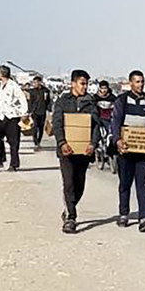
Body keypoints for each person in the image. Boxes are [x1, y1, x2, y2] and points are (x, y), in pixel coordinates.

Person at [111, 70, 145, 232]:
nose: (140, 85)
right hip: (126, 151)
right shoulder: (122, 100)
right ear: (130, 83)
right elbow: (115, 122)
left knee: (144, 185)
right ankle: (124, 214)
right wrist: (117, 140)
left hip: (144, 151)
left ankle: (144, 218)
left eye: (142, 81)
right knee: (125, 183)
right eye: (137, 82)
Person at [52, 70, 100, 234]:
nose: (85, 87)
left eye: (86, 83)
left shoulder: (90, 102)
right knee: (69, 183)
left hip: (84, 151)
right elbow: (57, 123)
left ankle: (68, 208)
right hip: (67, 151)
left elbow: (96, 126)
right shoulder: (63, 101)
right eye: (82, 83)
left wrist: (93, 144)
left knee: (79, 184)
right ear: (73, 83)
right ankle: (71, 217)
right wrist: (62, 142)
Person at [0, 65, 28, 172]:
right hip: (1, 115)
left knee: (13, 142)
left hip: (12, 116)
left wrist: (24, 112)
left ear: (1, 73)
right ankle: (0, 159)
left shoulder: (13, 85)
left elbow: (22, 98)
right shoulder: (1, 85)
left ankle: (14, 164)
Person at [28, 76, 52, 150]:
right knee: (34, 127)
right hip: (34, 112)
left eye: (36, 82)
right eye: (34, 82)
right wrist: (29, 111)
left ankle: (39, 141)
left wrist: (49, 110)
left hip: (42, 111)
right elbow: (30, 102)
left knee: (41, 128)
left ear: (40, 82)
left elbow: (48, 101)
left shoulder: (46, 91)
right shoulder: (32, 91)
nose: (34, 84)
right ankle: (35, 142)